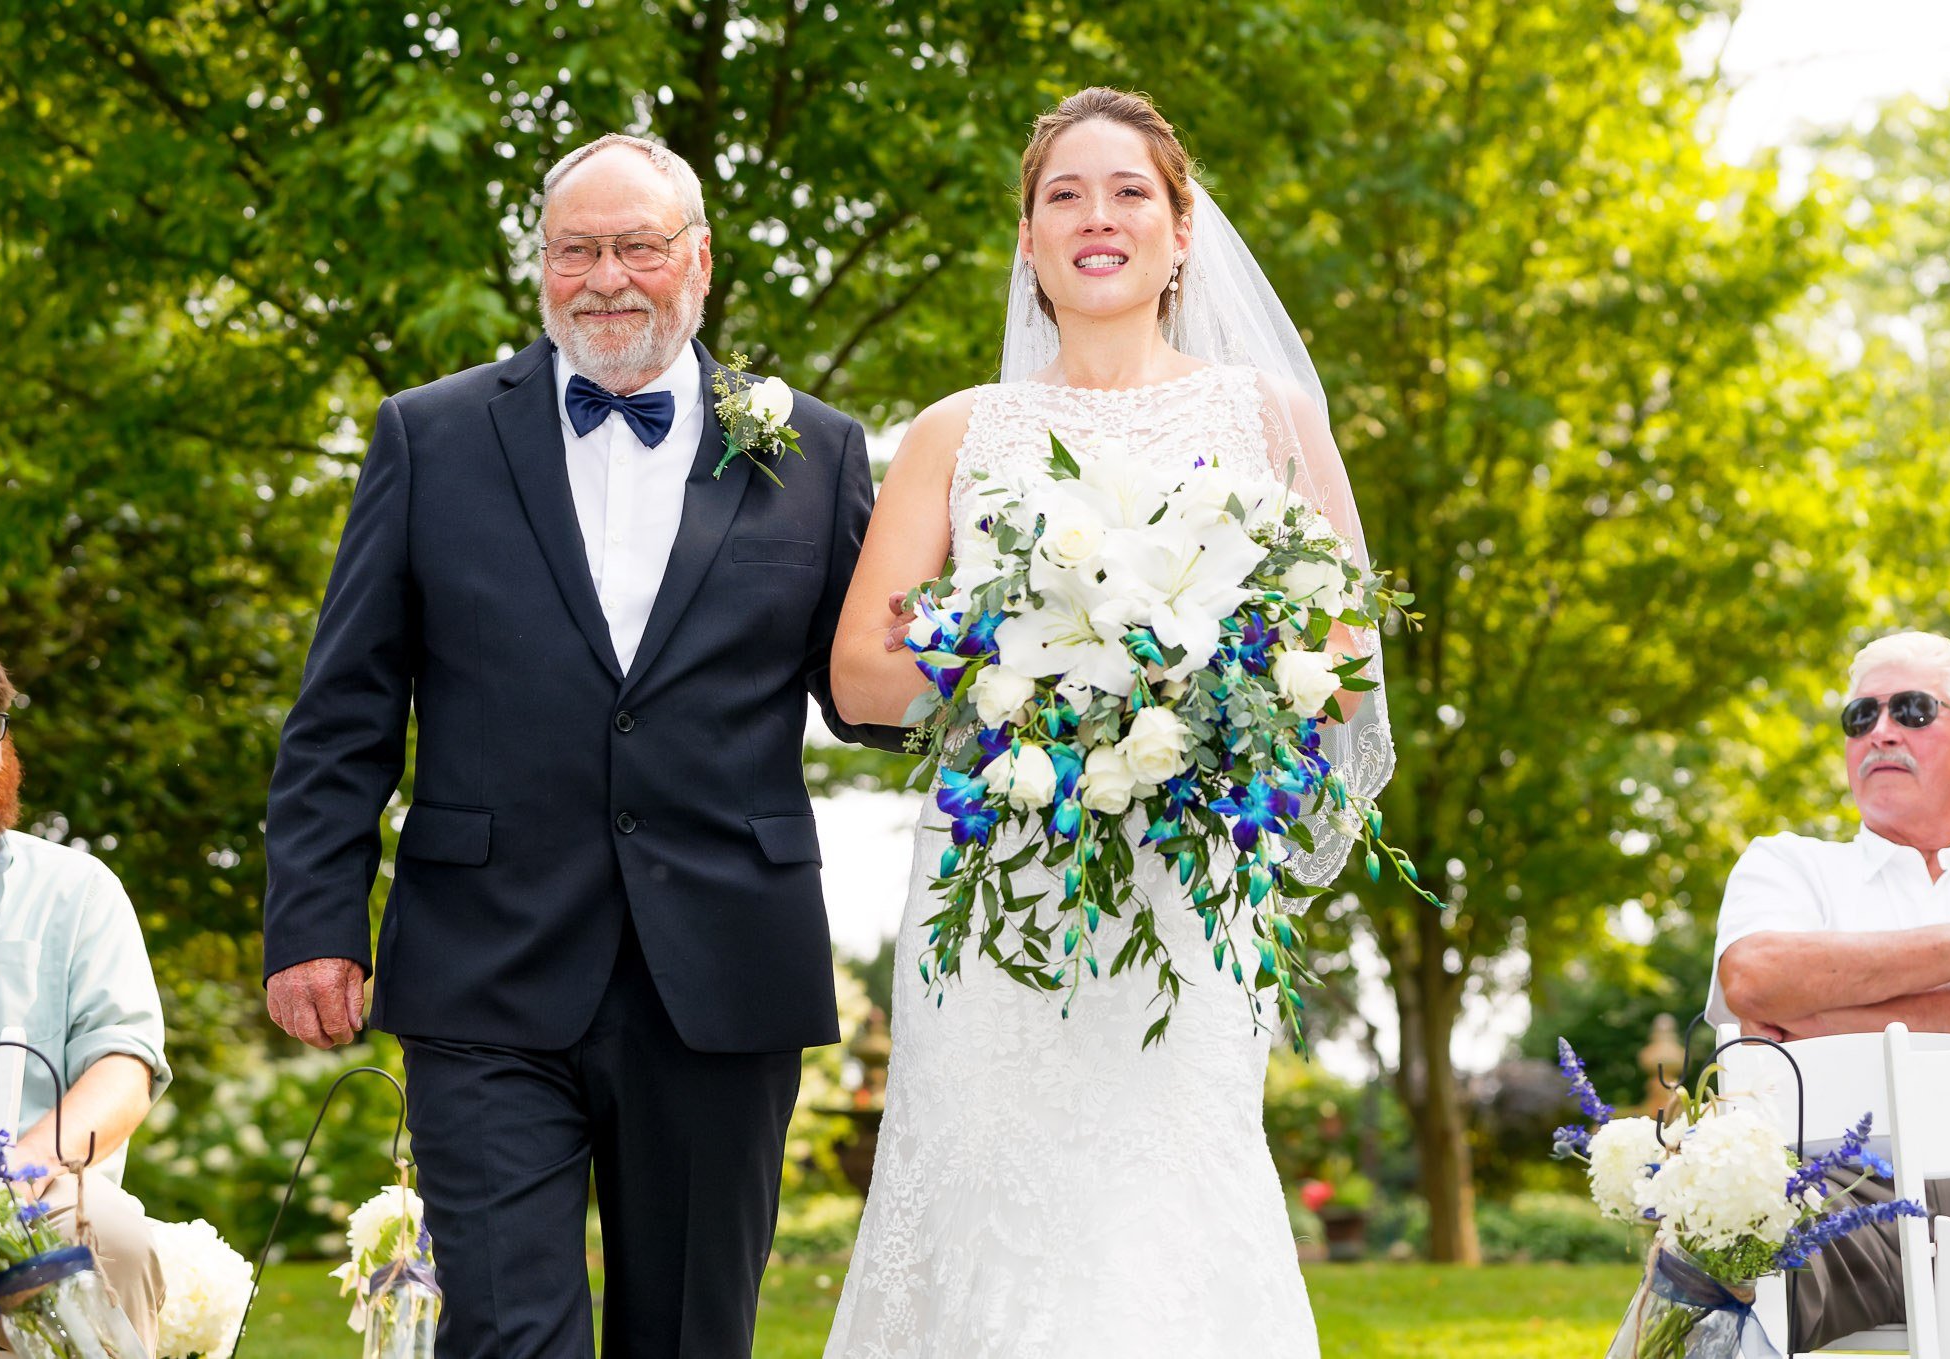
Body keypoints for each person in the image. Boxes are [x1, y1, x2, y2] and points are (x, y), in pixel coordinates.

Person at [262, 134, 902, 1359]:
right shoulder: (427, 434)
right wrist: (314, 921)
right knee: (507, 1333)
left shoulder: (813, 450)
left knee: (690, 1336)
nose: (606, 276)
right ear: (542, 267)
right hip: (483, 963)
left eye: (638, 247)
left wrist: (997, 656)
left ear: (698, 260)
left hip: (724, 966)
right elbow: (344, 707)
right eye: (576, 250)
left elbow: (860, 695)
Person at [822, 88, 1393, 1357]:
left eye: (1129, 191)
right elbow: (861, 672)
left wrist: (1194, 707)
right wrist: (1015, 663)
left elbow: (1342, 658)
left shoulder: (1263, 419)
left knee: (1163, 1202)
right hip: (996, 888)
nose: (1098, 217)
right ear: (1025, 241)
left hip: (1184, 889)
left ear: (1181, 232)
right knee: (983, 1198)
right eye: (1062, 195)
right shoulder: (955, 432)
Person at [0, 620, 169, 1352]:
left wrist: (17, 1169)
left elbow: (125, 1066)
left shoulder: (75, 889)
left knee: (110, 1242)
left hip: (30, 1202)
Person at [1708, 629, 1950, 1348]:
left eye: (1911, 710)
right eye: (1860, 716)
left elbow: (1781, 999)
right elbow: (1755, 977)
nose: (1879, 731)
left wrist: (1826, 1016)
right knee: (1737, 1260)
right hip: (1850, 1190)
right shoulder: (1789, 864)